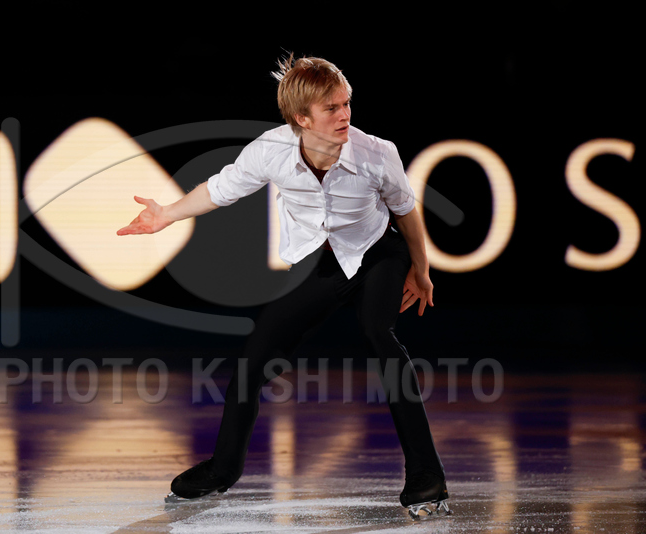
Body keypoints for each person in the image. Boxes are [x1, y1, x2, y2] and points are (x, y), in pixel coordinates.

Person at [117, 53, 450, 517]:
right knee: (255, 357)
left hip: (378, 253)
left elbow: (405, 209)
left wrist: (421, 269)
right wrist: (166, 215)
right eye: (332, 108)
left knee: (379, 333)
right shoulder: (270, 150)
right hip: (323, 263)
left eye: (347, 103)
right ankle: (221, 470)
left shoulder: (377, 152)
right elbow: (220, 188)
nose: (345, 115)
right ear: (301, 118)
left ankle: (426, 479)